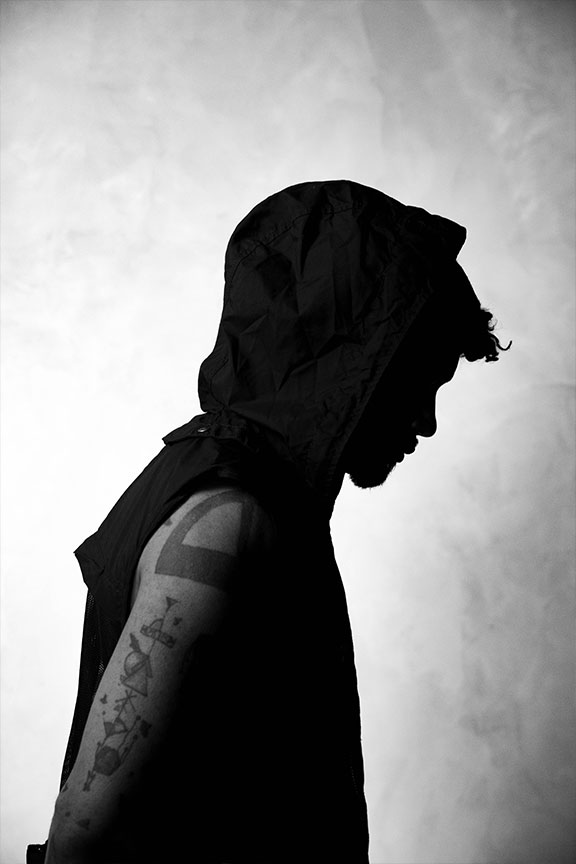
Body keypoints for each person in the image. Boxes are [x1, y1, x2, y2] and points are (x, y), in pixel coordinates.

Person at [32, 180, 510, 864]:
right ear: (355, 362)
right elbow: (87, 834)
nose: (427, 422)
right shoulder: (227, 522)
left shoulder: (263, 501)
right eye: (418, 384)